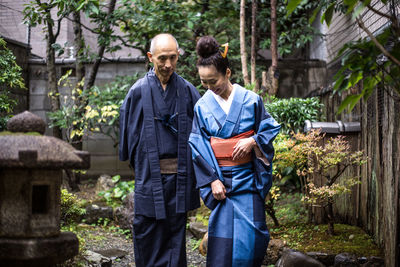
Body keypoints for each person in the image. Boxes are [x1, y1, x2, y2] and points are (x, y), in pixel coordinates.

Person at [189, 36, 281, 267]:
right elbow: (197, 144)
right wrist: (211, 180)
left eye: (214, 81)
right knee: (222, 246)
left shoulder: (251, 100)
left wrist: (252, 141)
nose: (210, 87)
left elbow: (268, 128)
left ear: (227, 73)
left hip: (248, 183)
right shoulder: (202, 106)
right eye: (204, 83)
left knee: (252, 242)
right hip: (221, 186)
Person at [119, 33, 200, 267]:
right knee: (146, 229)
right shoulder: (138, 92)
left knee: (175, 235)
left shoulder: (187, 91)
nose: (168, 64)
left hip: (179, 179)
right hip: (149, 177)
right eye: (162, 58)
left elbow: (201, 133)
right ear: (150, 57)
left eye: (173, 58)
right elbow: (128, 138)